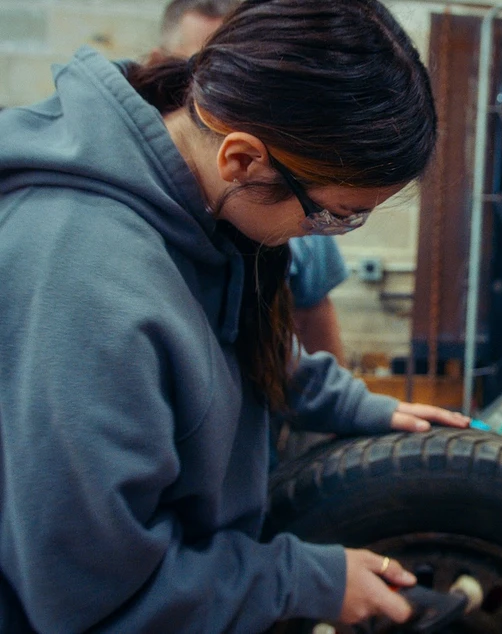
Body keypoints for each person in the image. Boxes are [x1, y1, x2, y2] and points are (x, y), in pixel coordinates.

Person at [0, 0, 470, 631]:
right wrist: (304, 581)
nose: (322, 234)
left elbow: (220, 339)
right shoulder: (83, 286)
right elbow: (91, 600)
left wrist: (353, 404)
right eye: (331, 215)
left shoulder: (197, 200)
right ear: (243, 160)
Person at [151, 0, 350, 365]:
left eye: (243, 77)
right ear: (158, 61)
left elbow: (309, 331)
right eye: (198, 70)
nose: (225, 100)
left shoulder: (294, 205)